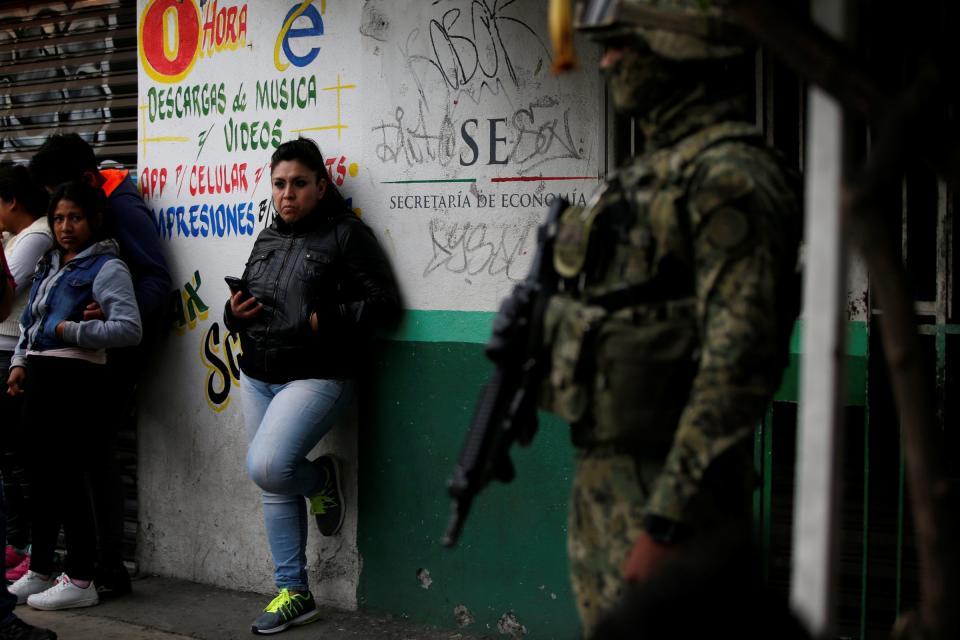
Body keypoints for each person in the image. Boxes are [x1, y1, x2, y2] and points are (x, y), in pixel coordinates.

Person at [536, 1, 803, 636]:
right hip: (611, 484)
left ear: (673, 50)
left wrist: (668, 521)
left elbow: (735, 366)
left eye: (622, 46)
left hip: (671, 501)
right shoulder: (652, 173)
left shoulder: (728, 175)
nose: (606, 62)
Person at [224, 137, 400, 635]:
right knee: (271, 484)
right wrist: (231, 313)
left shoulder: (347, 235)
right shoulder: (267, 238)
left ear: (321, 187)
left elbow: (385, 303)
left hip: (319, 375)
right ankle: (294, 593)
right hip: (258, 373)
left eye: (299, 184)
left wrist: (332, 319)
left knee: (268, 466)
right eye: (279, 184)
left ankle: (321, 480)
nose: (287, 194)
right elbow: (253, 302)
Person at [28, 134, 171, 597]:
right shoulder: (93, 203)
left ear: (88, 184)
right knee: (71, 463)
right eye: (56, 209)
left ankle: (103, 567)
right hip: (80, 356)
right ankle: (68, 566)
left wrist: (105, 323)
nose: (59, 217)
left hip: (106, 354)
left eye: (65, 205)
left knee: (95, 460)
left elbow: (155, 278)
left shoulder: (119, 212)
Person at [6, 181, 142, 611]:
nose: (66, 227)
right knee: (41, 482)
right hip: (39, 376)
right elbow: (29, 321)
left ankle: (81, 577)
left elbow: (128, 328)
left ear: (95, 220)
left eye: (76, 218)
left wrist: (74, 331)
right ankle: (42, 568)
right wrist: (19, 362)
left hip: (75, 380)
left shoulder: (107, 268)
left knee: (67, 480)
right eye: (60, 218)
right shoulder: (50, 263)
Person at [0, 164, 54, 583]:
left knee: (19, 458)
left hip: (12, 355)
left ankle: (32, 548)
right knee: (7, 458)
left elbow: (6, 288)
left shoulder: (35, 235)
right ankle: (16, 543)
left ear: (11, 200)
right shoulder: (15, 237)